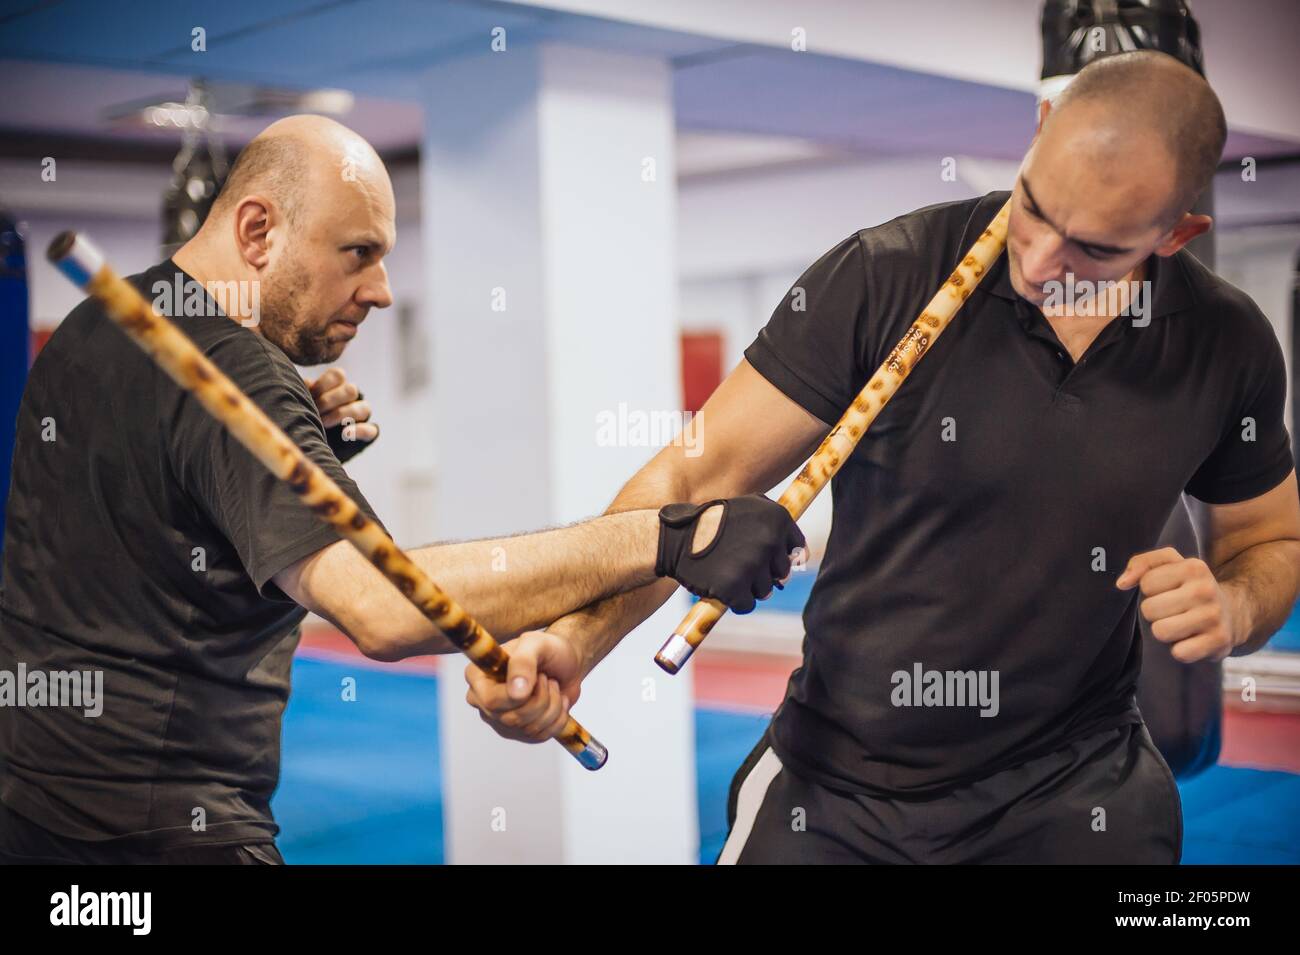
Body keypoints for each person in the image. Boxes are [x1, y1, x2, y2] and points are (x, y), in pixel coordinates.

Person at [465, 52, 1300, 863]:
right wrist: (575, 639)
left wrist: (1231, 607)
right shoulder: (884, 276)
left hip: (1074, 784)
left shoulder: (1226, 346)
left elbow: (1273, 541)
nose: (1039, 260)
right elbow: (692, 476)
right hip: (841, 779)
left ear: (1176, 234)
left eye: (1092, 249)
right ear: (1040, 127)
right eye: (1034, 206)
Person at [0, 115, 802, 864]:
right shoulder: (236, 374)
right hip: (164, 829)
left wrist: (290, 454)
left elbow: (147, 508)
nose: (382, 289)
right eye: (357, 253)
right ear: (256, 232)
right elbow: (384, 608)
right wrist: (664, 537)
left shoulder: (96, 327)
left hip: (34, 807)